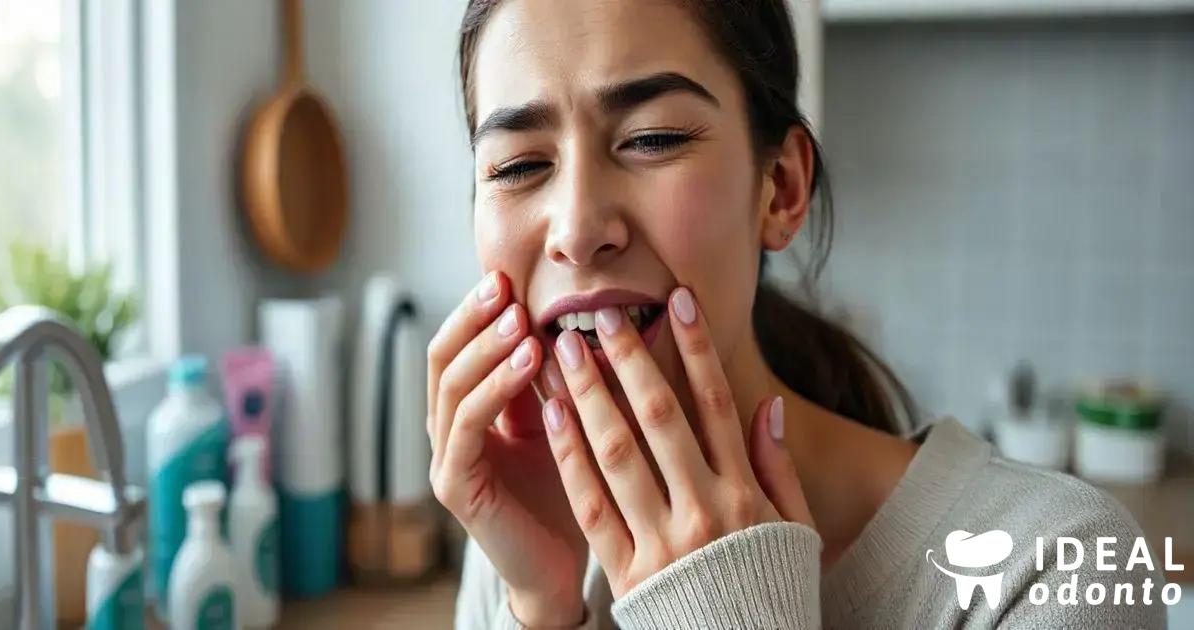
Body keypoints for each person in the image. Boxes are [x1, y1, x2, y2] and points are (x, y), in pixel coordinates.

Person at [426, 0, 1166, 627]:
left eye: (651, 139)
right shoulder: (524, 537)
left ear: (780, 188)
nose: (578, 229)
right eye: (519, 166)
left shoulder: (1055, 573)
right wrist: (543, 607)